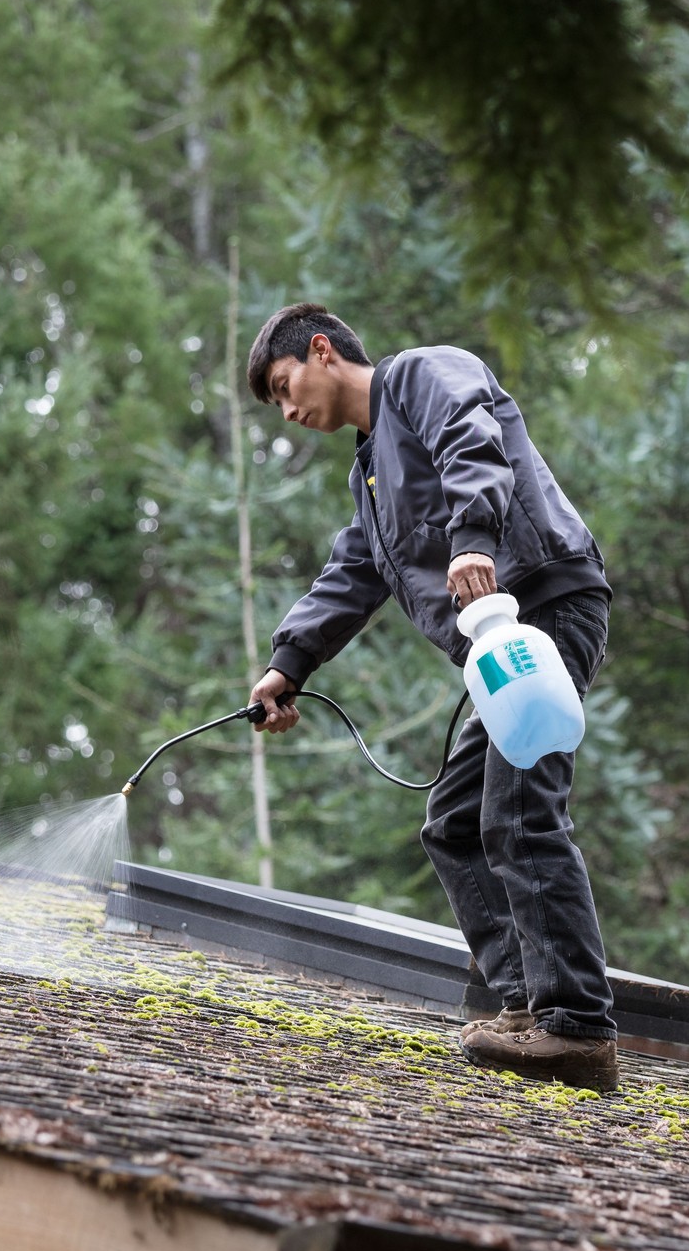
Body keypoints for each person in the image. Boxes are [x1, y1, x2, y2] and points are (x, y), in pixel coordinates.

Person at [245, 303, 623, 1093]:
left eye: (286, 386)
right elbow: (351, 574)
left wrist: (474, 542)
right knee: (454, 822)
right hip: (498, 652)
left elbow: (469, 440)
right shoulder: (370, 476)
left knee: (518, 812)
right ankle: (528, 1008)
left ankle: (579, 1025)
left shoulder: (420, 375)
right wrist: (290, 664)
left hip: (542, 608)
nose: (289, 411)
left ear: (322, 350)